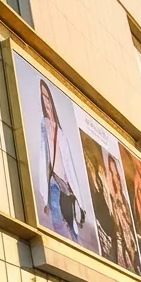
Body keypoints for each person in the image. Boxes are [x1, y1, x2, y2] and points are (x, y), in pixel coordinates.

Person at [36, 80, 86, 241]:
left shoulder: (61, 132)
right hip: (53, 183)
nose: (46, 101)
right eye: (43, 97)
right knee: (58, 226)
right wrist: (44, 196)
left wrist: (79, 199)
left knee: (72, 227)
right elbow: (44, 158)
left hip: (66, 185)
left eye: (48, 97)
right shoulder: (44, 125)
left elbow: (69, 165)